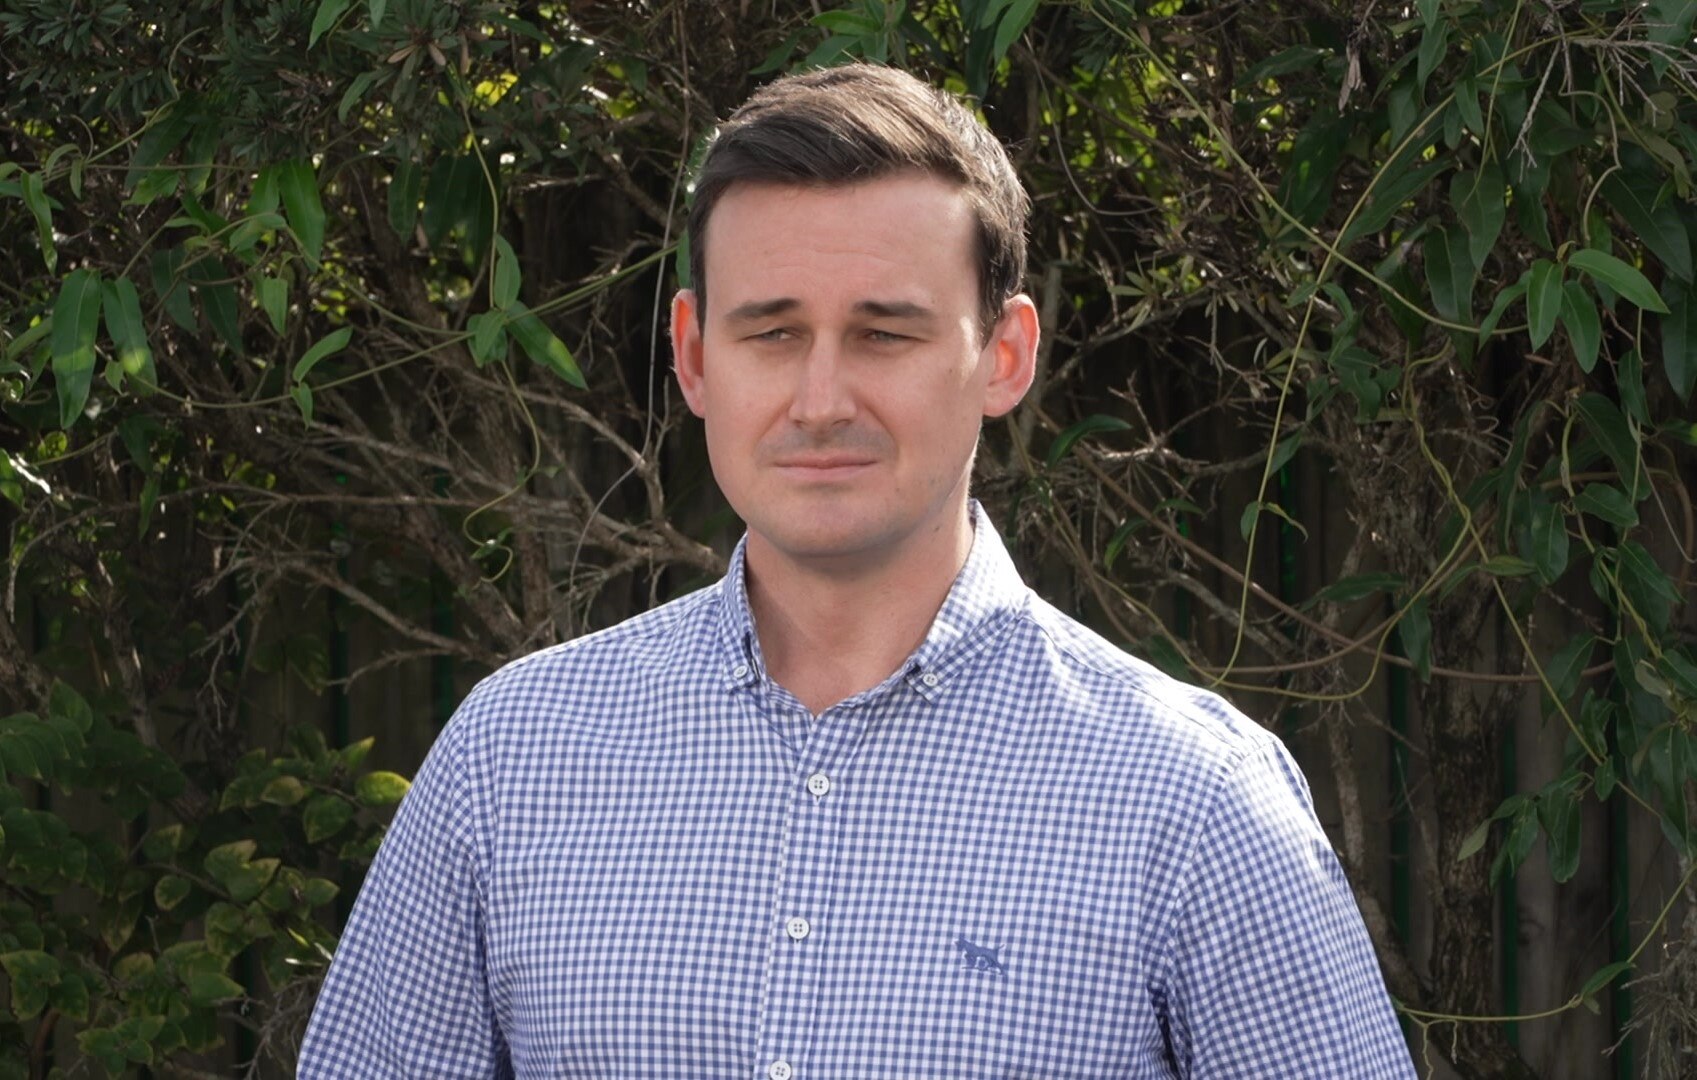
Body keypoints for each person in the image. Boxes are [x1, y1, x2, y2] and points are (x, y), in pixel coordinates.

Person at [298, 63, 1418, 1078]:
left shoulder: (1189, 800)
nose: (821, 399)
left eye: (883, 334)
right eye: (771, 333)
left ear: (1005, 357)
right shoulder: (514, 759)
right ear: (693, 357)